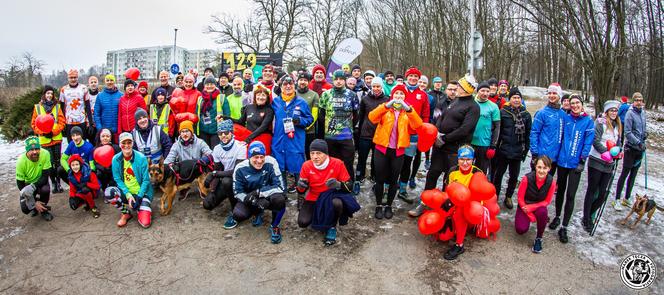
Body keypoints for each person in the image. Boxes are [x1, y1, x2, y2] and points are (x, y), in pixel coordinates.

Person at [410, 75, 479, 217]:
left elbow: (465, 129)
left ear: (467, 89)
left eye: (459, 86)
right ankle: (425, 202)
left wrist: (445, 138)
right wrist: (435, 132)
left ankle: (445, 207)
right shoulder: (455, 101)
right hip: (440, 146)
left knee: (450, 179)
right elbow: (441, 117)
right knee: (432, 174)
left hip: (454, 150)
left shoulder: (473, 107)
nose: (456, 89)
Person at [368, 84, 423, 219]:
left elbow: (418, 125)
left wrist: (409, 109)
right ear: (392, 96)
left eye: (402, 94)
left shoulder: (408, 111)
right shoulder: (385, 109)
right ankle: (379, 205)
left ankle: (389, 206)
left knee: (393, 181)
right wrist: (386, 106)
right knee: (380, 179)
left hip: (398, 152)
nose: (399, 97)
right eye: (396, 94)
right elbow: (371, 117)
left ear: (405, 97)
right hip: (382, 149)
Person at [296, 139, 361, 245]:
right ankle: (320, 217)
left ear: (326, 154)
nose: (315, 157)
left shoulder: (337, 163)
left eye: (318, 153)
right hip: (313, 196)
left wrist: (339, 185)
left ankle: (332, 226)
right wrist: (300, 186)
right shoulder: (306, 165)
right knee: (303, 222)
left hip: (330, 196)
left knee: (337, 203)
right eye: (312, 153)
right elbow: (301, 190)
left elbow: (350, 187)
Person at [548, 94, 594, 243]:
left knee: (571, 195)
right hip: (562, 161)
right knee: (560, 192)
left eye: (577, 103)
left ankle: (564, 227)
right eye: (572, 103)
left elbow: (588, 142)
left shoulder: (588, 121)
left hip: (575, 164)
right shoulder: (566, 118)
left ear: (582, 104)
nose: (574, 105)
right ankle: (557, 217)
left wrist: (582, 160)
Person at [232, 141, 286, 244]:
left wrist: (259, 193)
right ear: (249, 157)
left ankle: (275, 225)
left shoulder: (271, 162)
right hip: (250, 197)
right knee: (239, 214)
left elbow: (280, 186)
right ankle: (257, 213)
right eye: (255, 157)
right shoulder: (240, 168)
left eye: (262, 157)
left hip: (267, 195)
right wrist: (254, 201)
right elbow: (237, 192)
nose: (259, 160)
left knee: (280, 199)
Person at [583, 100, 622, 232]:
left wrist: (618, 151)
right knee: (592, 190)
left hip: (609, 164)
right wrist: (604, 151)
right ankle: (586, 217)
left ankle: (589, 213)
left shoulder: (618, 125)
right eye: (611, 110)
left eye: (616, 110)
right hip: (597, 161)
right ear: (606, 111)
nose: (614, 113)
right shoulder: (600, 122)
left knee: (603, 194)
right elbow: (595, 140)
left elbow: (619, 142)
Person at [319, 70, 360, 193]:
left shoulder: (352, 95)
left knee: (348, 163)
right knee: (332, 163)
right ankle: (333, 186)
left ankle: (349, 187)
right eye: (336, 79)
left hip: (346, 136)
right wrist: (327, 130)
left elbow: (356, 114)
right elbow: (321, 115)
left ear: (345, 80)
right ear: (333, 80)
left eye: (341, 79)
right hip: (330, 137)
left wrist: (348, 127)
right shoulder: (326, 95)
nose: (338, 81)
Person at [271, 76, 313, 191]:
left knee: (298, 168)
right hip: (279, 141)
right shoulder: (275, 102)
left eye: (290, 84)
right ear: (281, 87)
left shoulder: (301, 102)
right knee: (280, 168)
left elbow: (310, 119)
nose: (288, 86)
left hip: (295, 140)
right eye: (285, 84)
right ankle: (282, 193)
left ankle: (301, 196)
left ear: (294, 86)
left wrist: (299, 121)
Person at [492, 87, 532, 209]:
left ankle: (508, 197)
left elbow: (528, 134)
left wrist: (525, 151)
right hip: (503, 150)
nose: (516, 100)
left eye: (518, 98)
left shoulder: (526, 115)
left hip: (517, 151)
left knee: (514, 177)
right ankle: (495, 196)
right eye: (514, 97)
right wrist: (495, 147)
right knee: (498, 175)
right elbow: (498, 131)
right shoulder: (503, 112)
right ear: (510, 99)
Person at [203, 120, 247, 229]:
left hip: (240, 182)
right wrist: (213, 190)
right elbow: (217, 168)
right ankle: (228, 197)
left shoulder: (240, 146)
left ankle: (234, 207)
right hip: (225, 179)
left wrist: (214, 174)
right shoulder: (217, 149)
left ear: (231, 132)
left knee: (227, 180)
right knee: (207, 204)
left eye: (226, 132)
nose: (223, 135)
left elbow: (236, 172)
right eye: (220, 133)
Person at [443, 145, 483, 260]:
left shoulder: (477, 173)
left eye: (468, 160)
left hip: (472, 205)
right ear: (458, 159)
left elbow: (481, 195)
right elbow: (448, 191)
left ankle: (459, 245)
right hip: (456, 202)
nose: (465, 163)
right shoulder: (452, 171)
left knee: (459, 214)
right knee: (443, 235)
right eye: (462, 159)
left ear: (473, 160)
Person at [397, 67, 431, 202]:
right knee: (395, 160)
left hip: (413, 134)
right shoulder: (399, 91)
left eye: (415, 77)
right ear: (407, 77)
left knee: (407, 161)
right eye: (410, 76)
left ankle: (403, 189)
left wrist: (423, 129)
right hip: (398, 132)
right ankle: (390, 186)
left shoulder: (422, 95)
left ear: (419, 79)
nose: (413, 78)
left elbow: (426, 114)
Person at [111, 132, 154, 228]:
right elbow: (117, 179)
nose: (126, 145)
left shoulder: (141, 158)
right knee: (109, 192)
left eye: (129, 142)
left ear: (133, 143)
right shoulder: (115, 159)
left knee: (145, 223)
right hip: (127, 192)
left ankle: (141, 207)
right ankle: (125, 213)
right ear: (119, 144)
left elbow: (146, 180)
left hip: (141, 193)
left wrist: (139, 197)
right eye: (123, 143)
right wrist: (128, 195)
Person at [515, 155, 556, 253]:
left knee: (543, 212)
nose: (541, 171)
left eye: (545, 168)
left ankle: (539, 238)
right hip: (524, 205)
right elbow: (520, 198)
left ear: (549, 169)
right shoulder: (526, 178)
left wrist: (532, 207)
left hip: (538, 206)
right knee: (520, 230)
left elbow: (547, 201)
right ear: (535, 167)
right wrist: (529, 214)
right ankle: (522, 217)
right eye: (539, 167)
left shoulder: (552, 182)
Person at [614, 92, 647, 209]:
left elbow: (643, 129)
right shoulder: (630, 113)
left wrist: (645, 135)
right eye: (637, 100)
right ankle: (617, 199)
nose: (639, 102)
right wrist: (637, 142)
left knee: (633, 175)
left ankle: (626, 198)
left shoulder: (643, 113)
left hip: (640, 150)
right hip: (631, 149)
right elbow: (627, 133)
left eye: (641, 100)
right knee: (624, 174)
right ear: (633, 101)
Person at [31, 85, 66, 193]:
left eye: (51, 93)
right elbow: (34, 124)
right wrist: (43, 132)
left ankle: (59, 183)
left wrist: (53, 132)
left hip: (56, 138)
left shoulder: (57, 107)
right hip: (44, 140)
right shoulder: (37, 107)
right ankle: (54, 183)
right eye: (47, 93)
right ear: (44, 95)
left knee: (57, 162)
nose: (49, 95)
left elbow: (62, 122)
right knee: (49, 163)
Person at [356, 77, 389, 185]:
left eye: (378, 86)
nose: (375, 88)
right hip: (365, 134)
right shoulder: (365, 99)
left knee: (377, 160)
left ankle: (374, 176)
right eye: (374, 86)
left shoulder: (386, 100)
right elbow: (361, 117)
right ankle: (359, 176)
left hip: (379, 134)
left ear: (381, 87)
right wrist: (359, 132)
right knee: (362, 158)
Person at [529, 83, 565, 175]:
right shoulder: (542, 113)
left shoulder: (563, 114)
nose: (551, 95)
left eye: (554, 93)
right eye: (550, 93)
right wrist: (534, 153)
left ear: (559, 96)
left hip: (555, 158)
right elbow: (534, 133)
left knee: (548, 185)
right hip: (541, 157)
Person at [164, 121, 213, 185]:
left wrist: (205, 159)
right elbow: (168, 160)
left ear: (192, 132)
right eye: (182, 132)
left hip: (197, 170)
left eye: (187, 131)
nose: (185, 134)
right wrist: (169, 166)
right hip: (183, 172)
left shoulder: (200, 142)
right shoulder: (176, 145)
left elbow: (212, 154)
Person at [16, 137, 54, 221]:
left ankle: (44, 210)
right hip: (27, 184)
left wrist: (34, 186)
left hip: (40, 181)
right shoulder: (20, 161)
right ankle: (34, 207)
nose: (34, 152)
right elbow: (20, 184)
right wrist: (33, 202)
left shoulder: (45, 154)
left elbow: (45, 176)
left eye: (37, 149)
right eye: (31, 150)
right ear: (27, 150)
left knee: (45, 189)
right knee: (25, 209)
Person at [470, 81, 500, 175]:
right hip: (469, 142)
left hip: (484, 144)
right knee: (467, 170)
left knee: (480, 172)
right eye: (483, 91)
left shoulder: (493, 107)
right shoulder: (472, 103)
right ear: (478, 91)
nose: (485, 93)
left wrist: (493, 146)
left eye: (487, 91)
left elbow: (497, 127)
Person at [236, 85, 275, 149]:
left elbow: (263, 127)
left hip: (262, 138)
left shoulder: (269, 110)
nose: (260, 97)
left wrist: (248, 139)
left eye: (263, 95)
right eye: (258, 95)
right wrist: (225, 117)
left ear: (267, 98)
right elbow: (240, 122)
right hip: (250, 137)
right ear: (255, 96)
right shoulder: (249, 107)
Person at [197, 75, 231, 148]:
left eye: (212, 84)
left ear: (215, 85)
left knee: (215, 152)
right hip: (203, 131)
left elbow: (227, 115)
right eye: (207, 84)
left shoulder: (222, 97)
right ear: (204, 86)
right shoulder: (200, 99)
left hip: (217, 131)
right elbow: (197, 114)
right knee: (205, 153)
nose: (209, 86)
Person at [60, 69, 92, 141]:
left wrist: (90, 123)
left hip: (81, 121)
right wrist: (62, 123)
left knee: (82, 143)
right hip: (69, 121)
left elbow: (88, 106)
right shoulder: (63, 90)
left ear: (77, 78)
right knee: (71, 144)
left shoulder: (84, 88)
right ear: (68, 78)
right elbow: (61, 108)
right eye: (71, 78)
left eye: (75, 77)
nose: (73, 79)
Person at [67, 154, 101, 218]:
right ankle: (87, 204)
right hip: (80, 192)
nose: (75, 167)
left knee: (85, 190)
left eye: (77, 164)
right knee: (74, 204)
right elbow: (72, 190)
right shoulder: (71, 176)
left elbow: (97, 186)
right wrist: (71, 198)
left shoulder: (89, 172)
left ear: (80, 164)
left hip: (92, 191)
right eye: (73, 165)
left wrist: (86, 184)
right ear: (70, 166)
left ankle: (93, 207)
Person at [295, 73, 320, 158]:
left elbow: (315, 114)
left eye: (305, 80)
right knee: (296, 154)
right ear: (297, 81)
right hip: (295, 131)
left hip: (309, 131)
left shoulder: (314, 95)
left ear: (309, 82)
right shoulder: (292, 93)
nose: (302, 82)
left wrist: (307, 126)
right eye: (301, 80)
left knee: (309, 154)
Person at [94, 74, 123, 139]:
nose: (109, 82)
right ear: (105, 82)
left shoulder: (121, 95)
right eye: (107, 80)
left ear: (114, 82)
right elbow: (96, 114)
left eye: (111, 80)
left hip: (117, 131)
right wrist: (99, 128)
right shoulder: (100, 96)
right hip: (105, 131)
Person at [87, 76, 100, 140]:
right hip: (88, 123)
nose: (93, 84)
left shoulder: (100, 95)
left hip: (98, 123)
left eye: (95, 82)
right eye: (91, 82)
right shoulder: (86, 96)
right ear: (89, 84)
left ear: (97, 83)